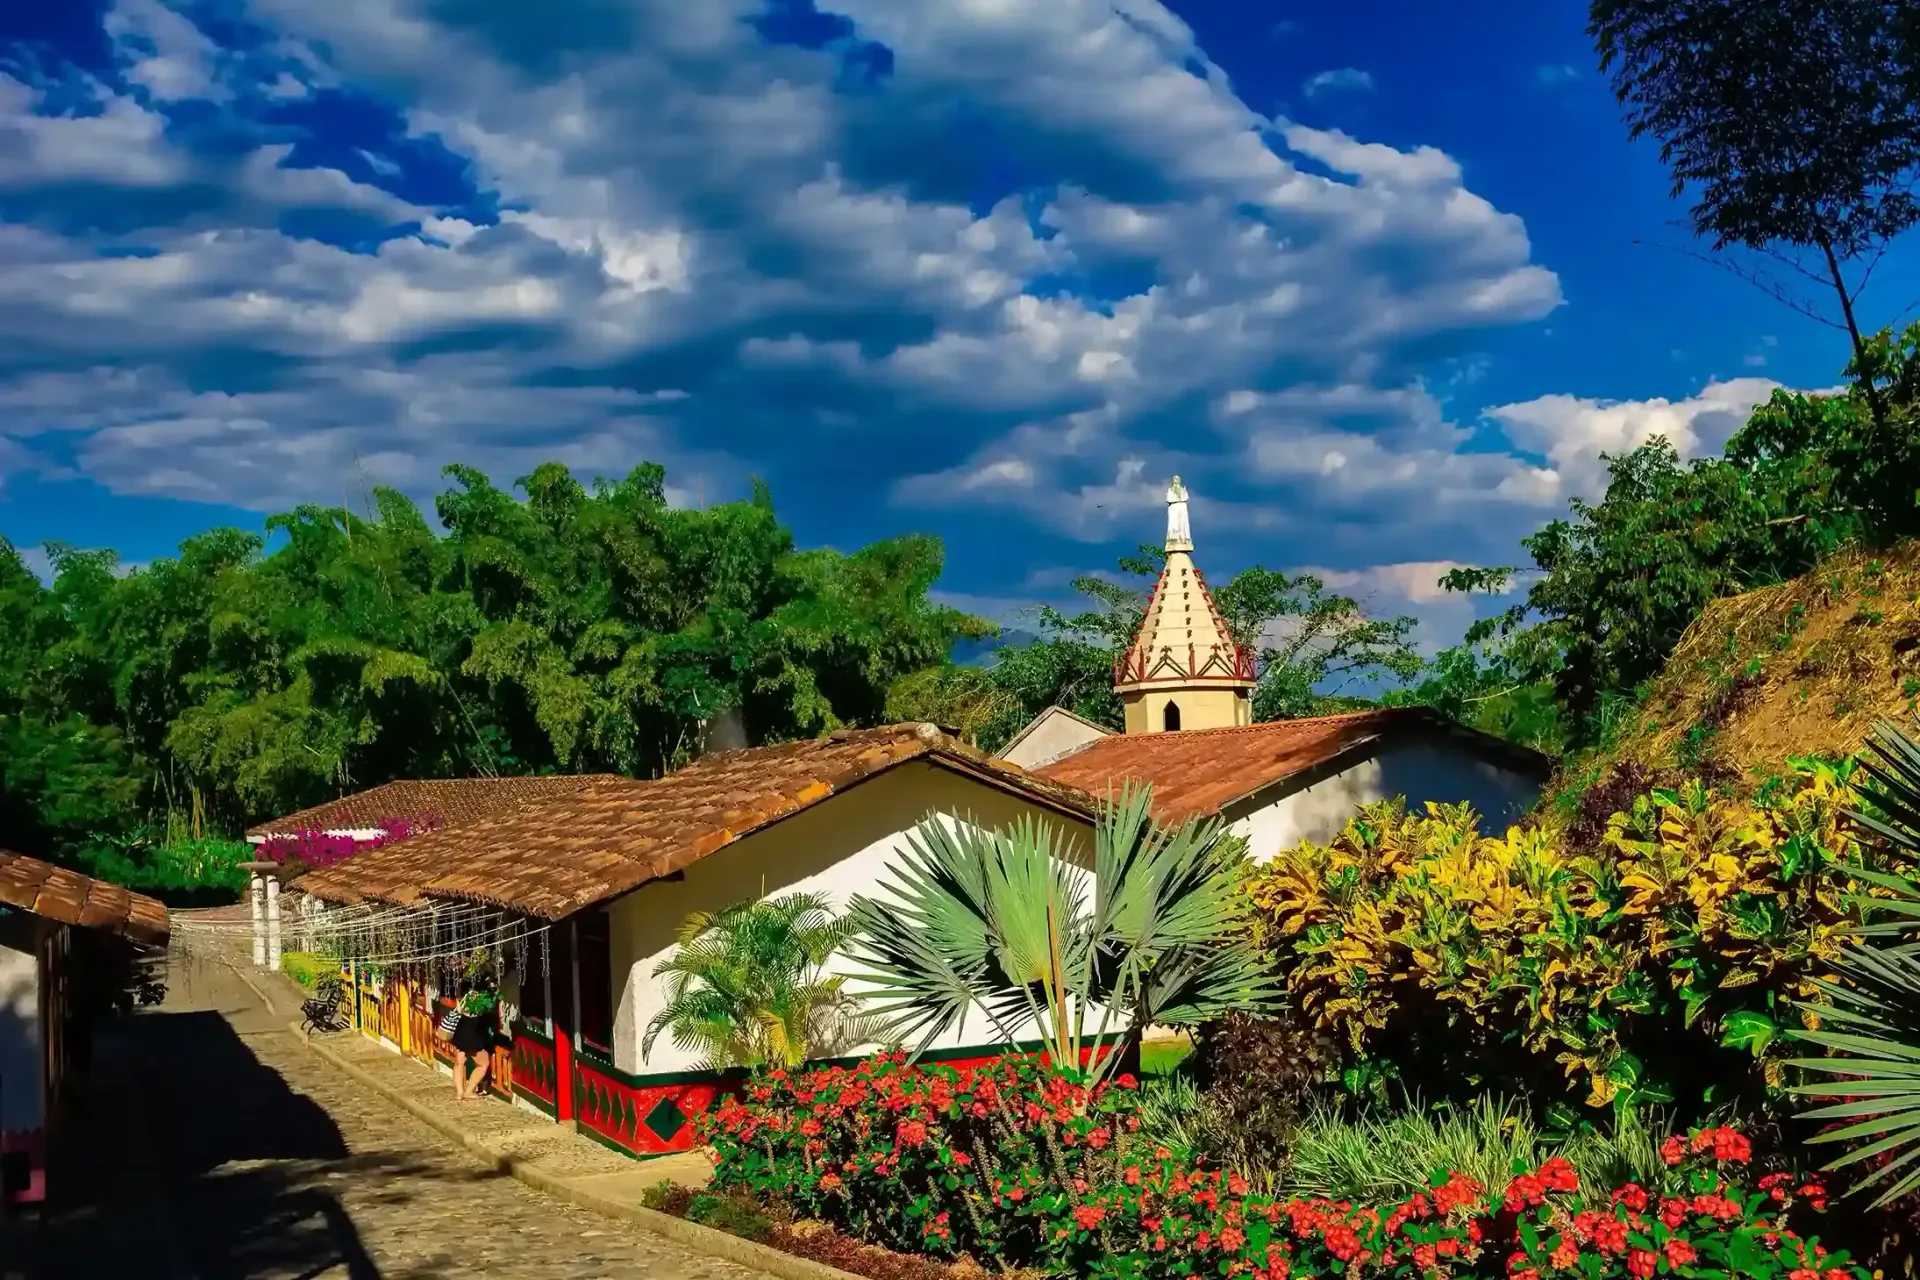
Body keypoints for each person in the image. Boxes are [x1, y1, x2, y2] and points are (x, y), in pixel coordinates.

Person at [449, 980, 499, 1100]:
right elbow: (488, 1015)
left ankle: (460, 1092)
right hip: (475, 1033)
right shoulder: (483, 999)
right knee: (483, 1064)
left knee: (459, 1062)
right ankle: (469, 1091)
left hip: (462, 1030)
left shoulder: (464, 997)